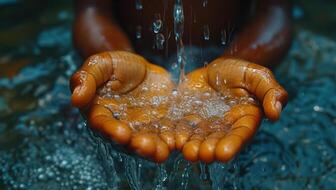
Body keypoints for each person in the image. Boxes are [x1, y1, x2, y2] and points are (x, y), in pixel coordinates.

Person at [70, 0, 290, 163]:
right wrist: (114, 56)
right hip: (130, 76)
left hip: (226, 68)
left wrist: (239, 63)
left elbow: (274, 13)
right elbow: (92, 10)